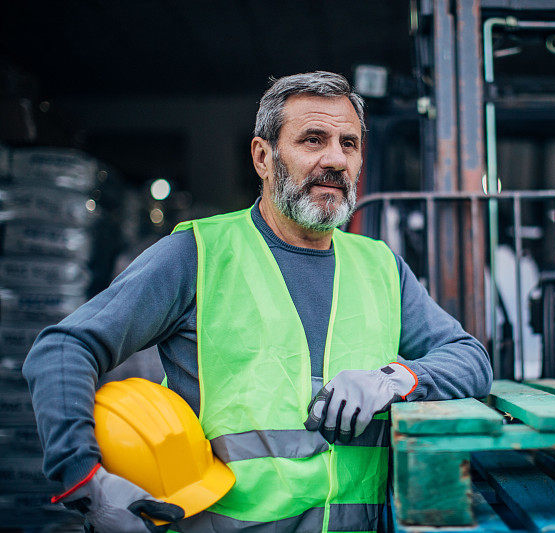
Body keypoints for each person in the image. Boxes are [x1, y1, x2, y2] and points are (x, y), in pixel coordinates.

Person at [23, 71, 492, 532]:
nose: (335, 159)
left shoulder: (381, 266)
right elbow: (63, 349)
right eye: (313, 139)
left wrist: (397, 378)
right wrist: (86, 480)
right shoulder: (198, 255)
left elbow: (471, 359)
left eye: (349, 144)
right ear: (263, 157)